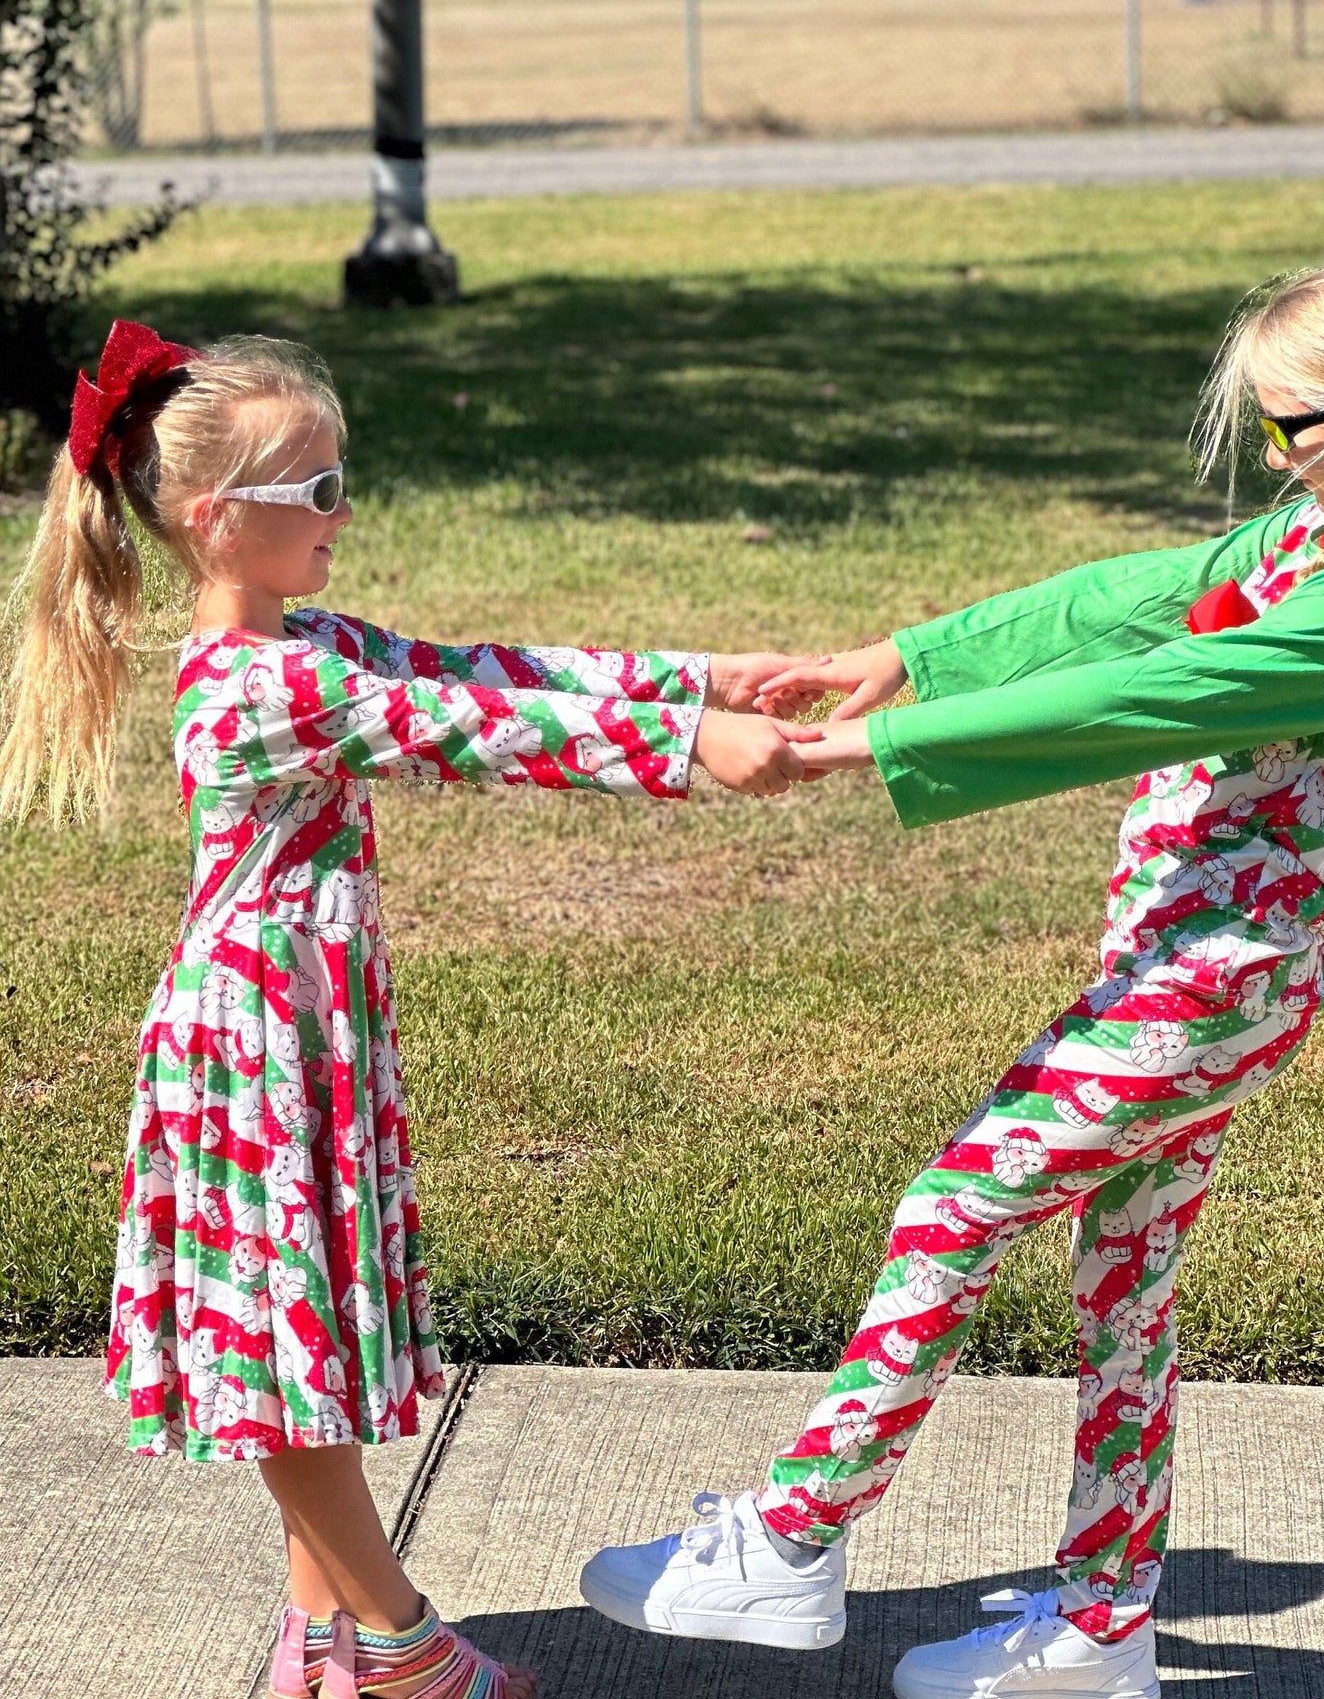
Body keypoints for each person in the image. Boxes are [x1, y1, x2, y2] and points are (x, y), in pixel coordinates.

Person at [580, 253, 1324, 1699]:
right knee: (1124, 1287)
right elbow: (1134, 601)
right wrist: (906, 657)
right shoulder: (1319, 539)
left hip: (1209, 984)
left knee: (950, 1209)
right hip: (1188, 969)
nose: (1272, 457)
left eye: (1290, 427)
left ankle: (792, 1541)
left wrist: (856, 753)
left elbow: (1140, 694)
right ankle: (1100, 1629)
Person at [0, 320, 809, 1699]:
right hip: (250, 1043)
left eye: (340, 478)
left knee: (304, 1335)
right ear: (215, 521)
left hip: (302, 1025)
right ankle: (400, 1642)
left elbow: (482, 672)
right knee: (275, 1347)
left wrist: (702, 678)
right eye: (313, 490)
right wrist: (690, 750)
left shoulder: (308, 638)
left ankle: (321, 1631)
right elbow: (481, 734)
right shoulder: (263, 683)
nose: (343, 510)